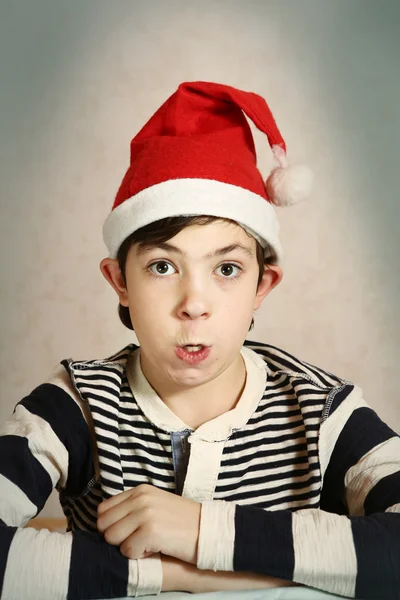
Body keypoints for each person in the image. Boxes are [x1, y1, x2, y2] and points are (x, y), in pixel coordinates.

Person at [0, 81, 399, 600]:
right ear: (120, 281)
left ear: (263, 284)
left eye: (227, 268)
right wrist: (181, 575)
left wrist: (199, 530)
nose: (194, 303)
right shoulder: (74, 403)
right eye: (163, 266)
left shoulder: (323, 409)